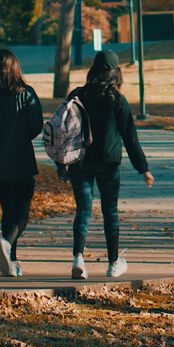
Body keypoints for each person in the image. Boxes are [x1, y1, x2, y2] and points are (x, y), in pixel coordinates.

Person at [62, 49, 153, 279]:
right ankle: (113, 263)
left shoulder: (77, 95)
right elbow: (130, 138)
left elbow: (63, 130)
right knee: (109, 211)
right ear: (116, 74)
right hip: (108, 162)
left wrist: (60, 165)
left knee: (83, 209)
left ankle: (78, 259)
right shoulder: (117, 100)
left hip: (78, 161)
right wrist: (143, 168)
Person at [0, 49, 43, 278]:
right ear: (16, 68)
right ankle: (6, 244)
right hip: (20, 159)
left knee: (8, 211)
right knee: (21, 214)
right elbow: (36, 126)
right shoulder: (27, 93)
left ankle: (11, 263)